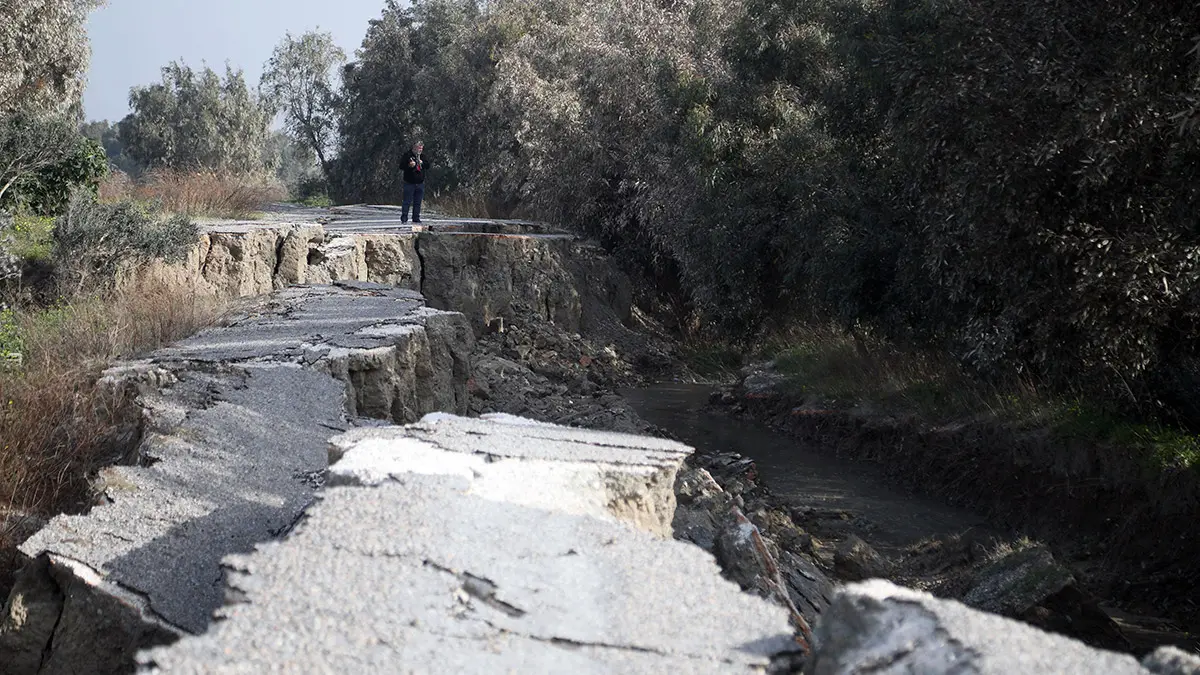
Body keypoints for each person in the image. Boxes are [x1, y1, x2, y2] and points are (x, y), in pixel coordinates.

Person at [401, 140, 429, 224]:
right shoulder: (407, 155)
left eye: (421, 148)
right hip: (409, 183)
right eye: (418, 148)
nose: (420, 150)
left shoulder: (423, 156)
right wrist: (409, 165)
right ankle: (404, 218)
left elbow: (428, 165)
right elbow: (401, 166)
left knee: (418, 202)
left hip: (420, 183)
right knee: (407, 201)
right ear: (414, 147)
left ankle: (416, 218)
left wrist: (422, 163)